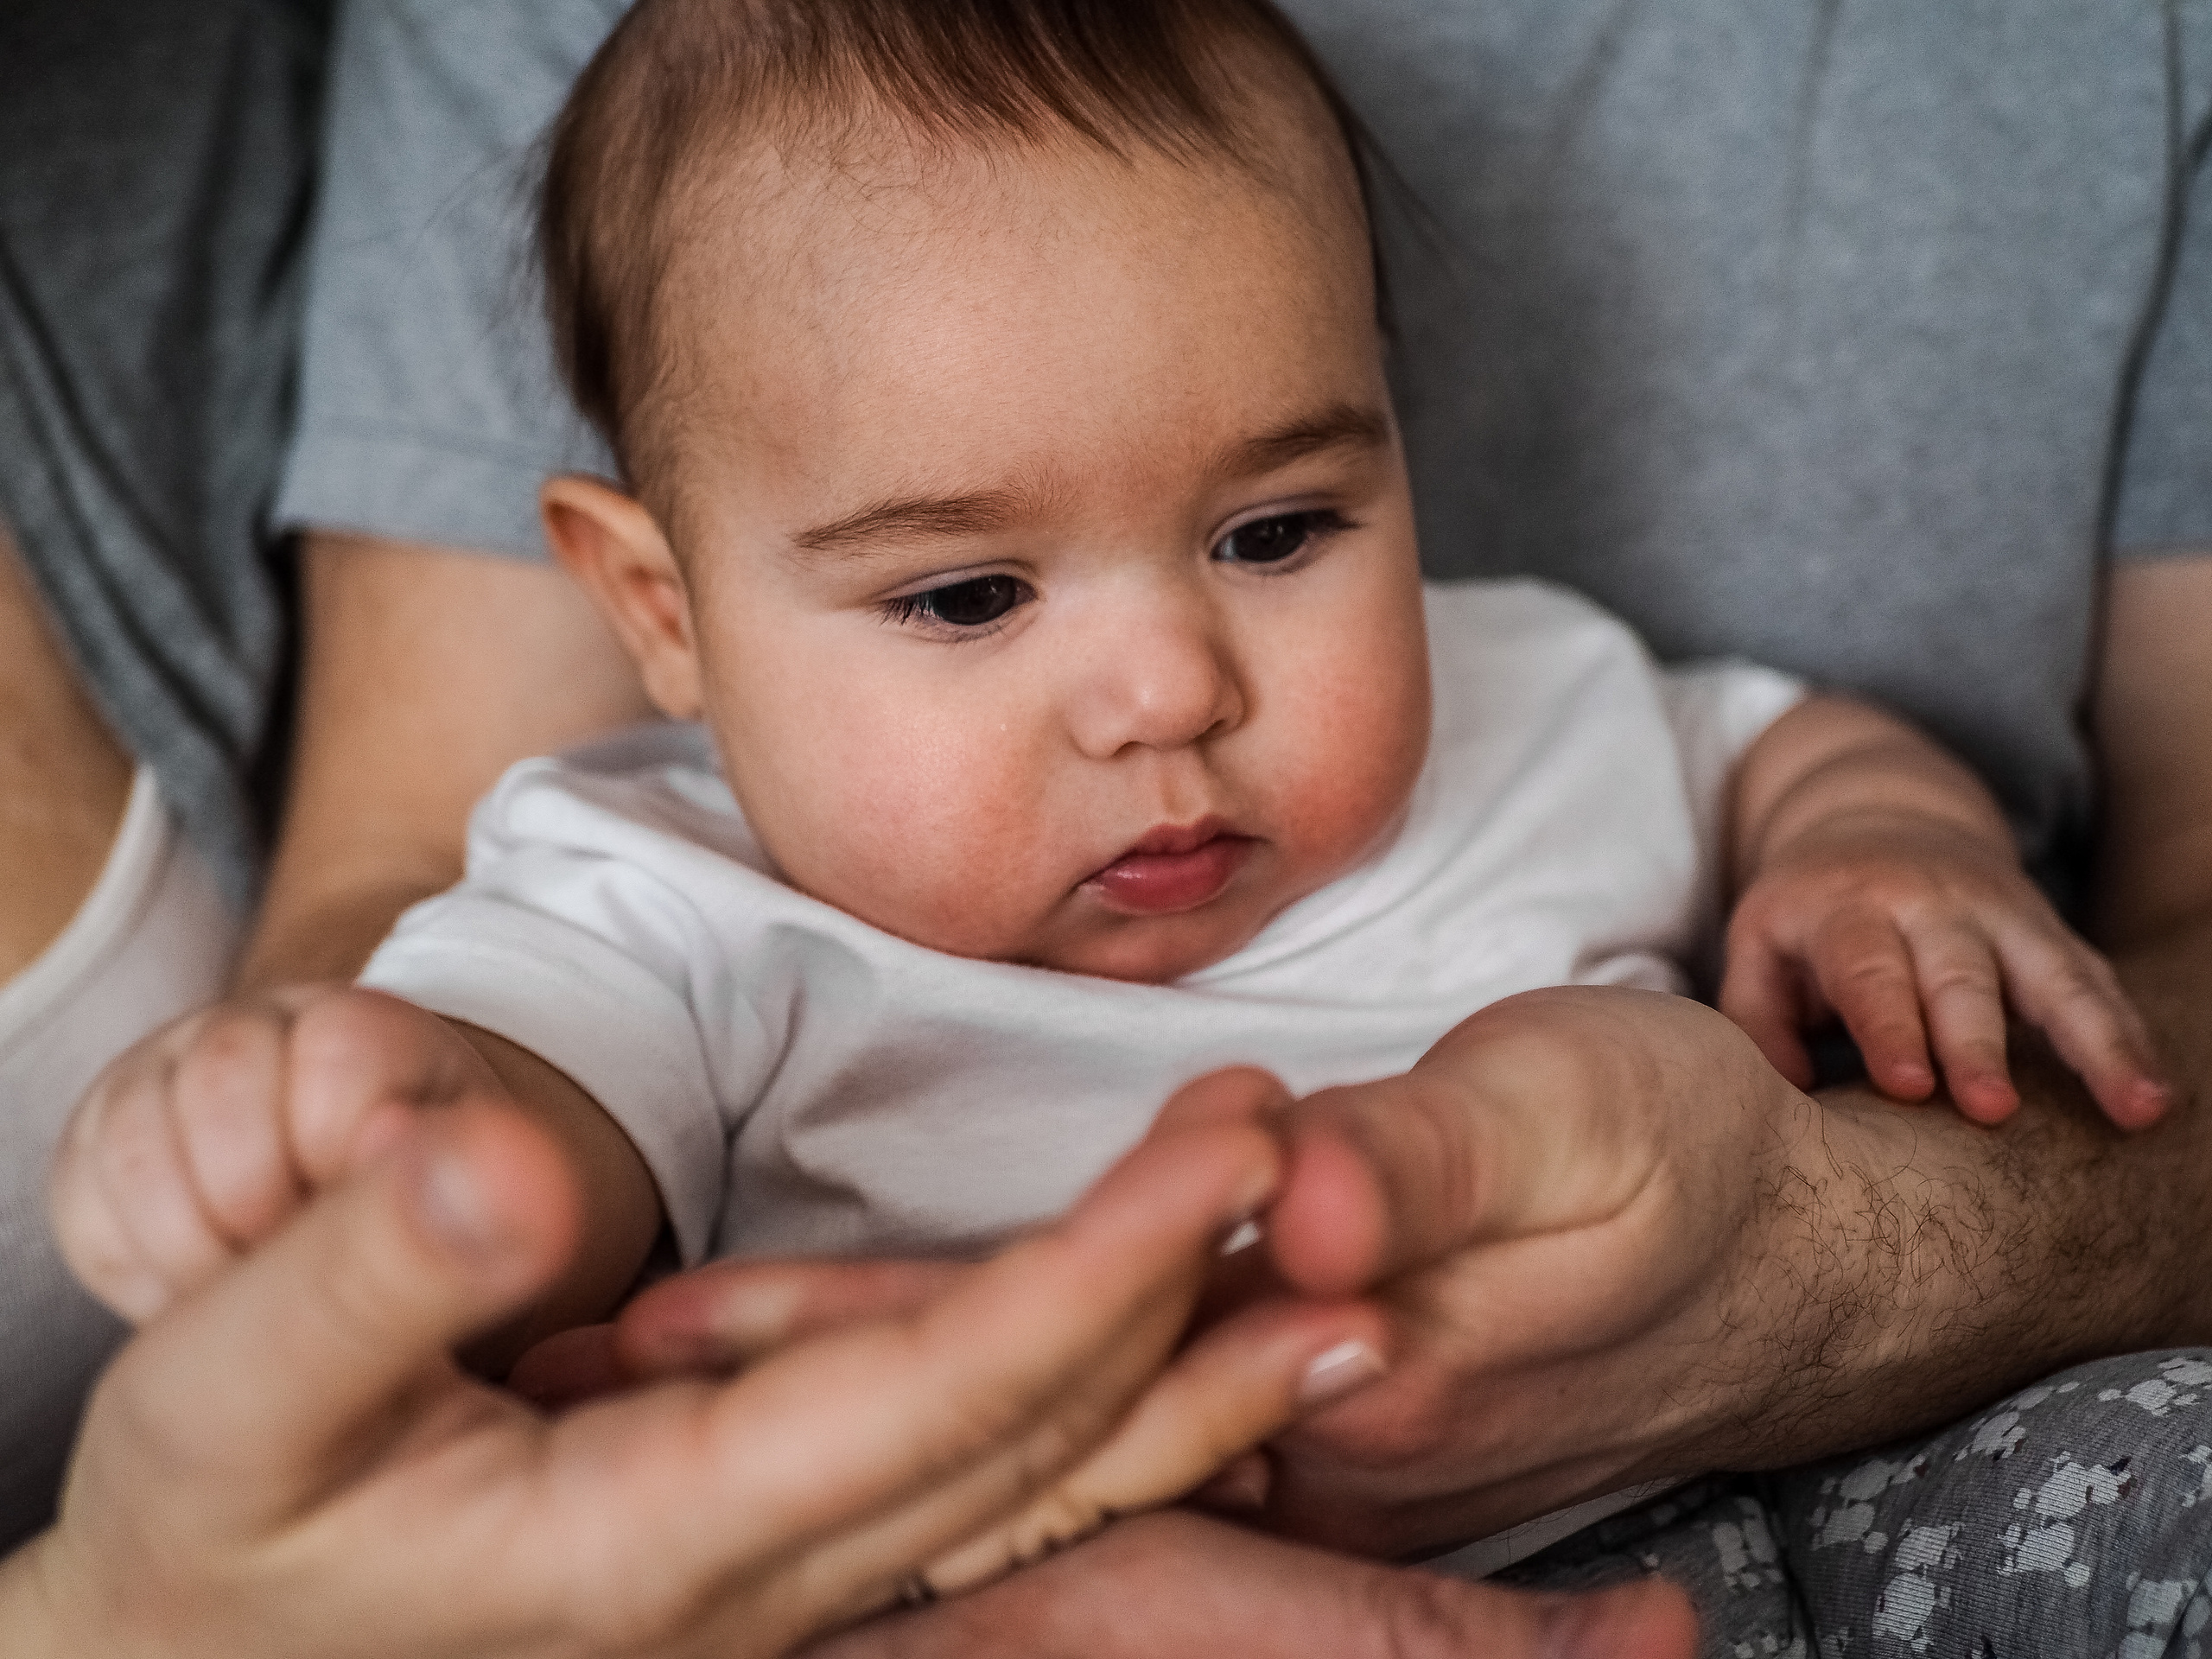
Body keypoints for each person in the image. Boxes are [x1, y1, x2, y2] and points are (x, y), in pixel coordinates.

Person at [48, 0, 2179, 1618]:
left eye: (1274, 527)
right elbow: (514, 1127)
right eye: (967, 594)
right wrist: (337, 1110)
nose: (1171, 686)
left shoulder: (1528, 688)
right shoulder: (658, 894)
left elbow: (1768, 737)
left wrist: (1882, 845)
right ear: (656, 611)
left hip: (1792, 1480)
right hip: (1023, 1591)